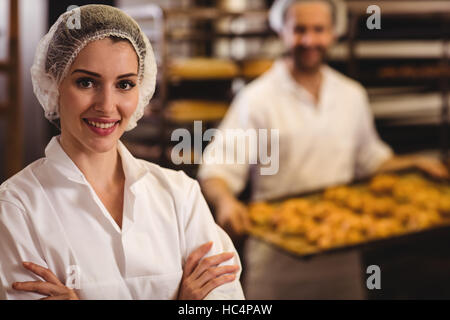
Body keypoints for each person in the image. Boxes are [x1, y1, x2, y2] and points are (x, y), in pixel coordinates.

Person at [197, 0, 449, 299]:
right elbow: (217, 169)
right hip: (278, 269)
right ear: (282, 31)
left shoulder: (350, 95)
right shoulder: (257, 99)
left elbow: (371, 161)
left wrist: (416, 164)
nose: (310, 40)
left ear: (334, 33)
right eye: (300, 29)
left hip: (342, 263)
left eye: (319, 30)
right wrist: (226, 202)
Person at [0, 4, 244, 300]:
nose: (106, 105)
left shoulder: (180, 196)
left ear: (141, 89)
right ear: (54, 84)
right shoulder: (16, 207)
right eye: (86, 82)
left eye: (124, 84)